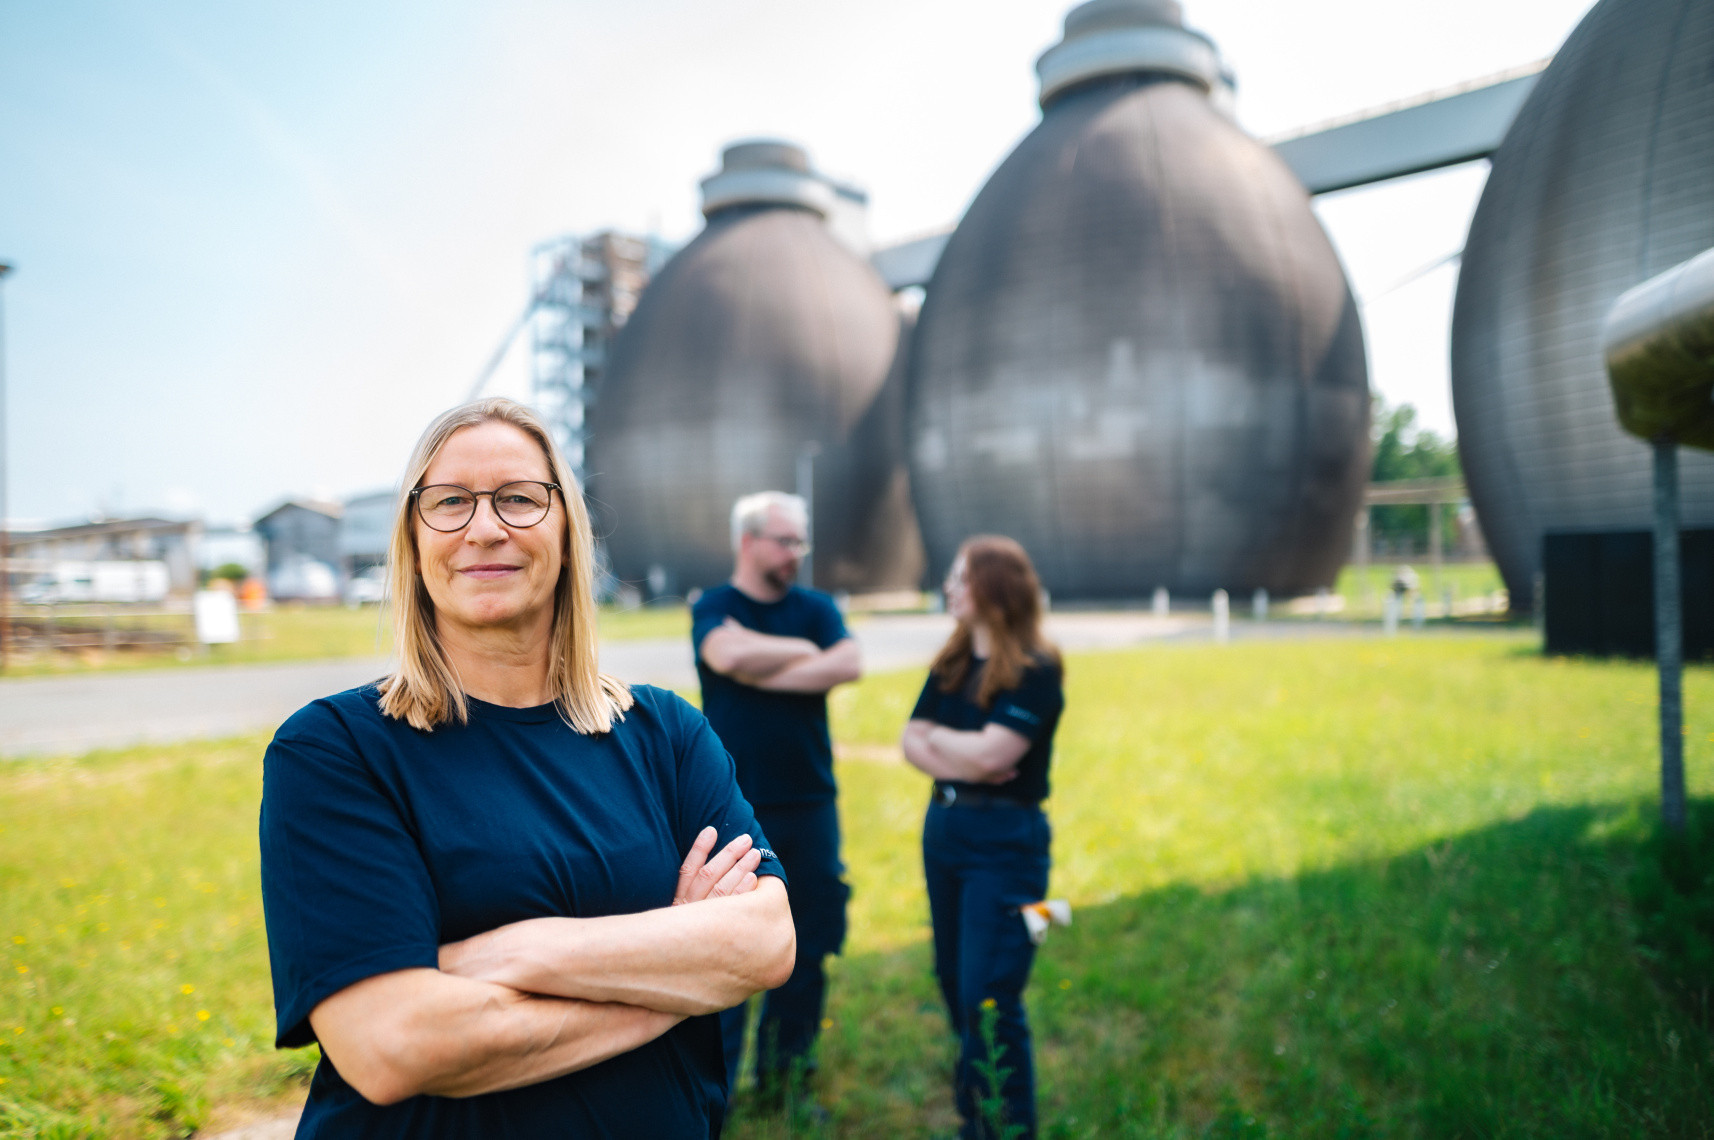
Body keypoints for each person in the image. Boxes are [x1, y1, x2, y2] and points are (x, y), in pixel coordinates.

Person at [258, 397, 795, 1138]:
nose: (485, 527)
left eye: (518, 498)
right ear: (413, 543)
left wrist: (515, 951)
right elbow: (392, 1045)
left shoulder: (666, 734)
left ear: (568, 534)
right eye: (449, 502)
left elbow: (765, 942)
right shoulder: (334, 752)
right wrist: (677, 962)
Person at [692, 491, 862, 1100]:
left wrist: (767, 661)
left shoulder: (814, 607)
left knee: (810, 944)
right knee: (726, 948)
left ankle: (786, 1083)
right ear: (749, 541)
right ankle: (717, 1091)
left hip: (811, 803)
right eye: (785, 540)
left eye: (800, 541)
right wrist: (803, 653)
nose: (796, 553)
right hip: (733, 808)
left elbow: (848, 664)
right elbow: (724, 653)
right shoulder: (715, 607)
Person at [900, 536, 1065, 1140]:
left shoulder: (1035, 669)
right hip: (944, 830)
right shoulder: (950, 662)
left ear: (997, 590)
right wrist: (962, 754)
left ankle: (1005, 1127)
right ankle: (980, 1113)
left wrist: (944, 745)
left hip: (1005, 839)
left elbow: (996, 753)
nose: (949, 588)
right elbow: (909, 740)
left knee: (988, 993)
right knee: (952, 979)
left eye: (961, 580)